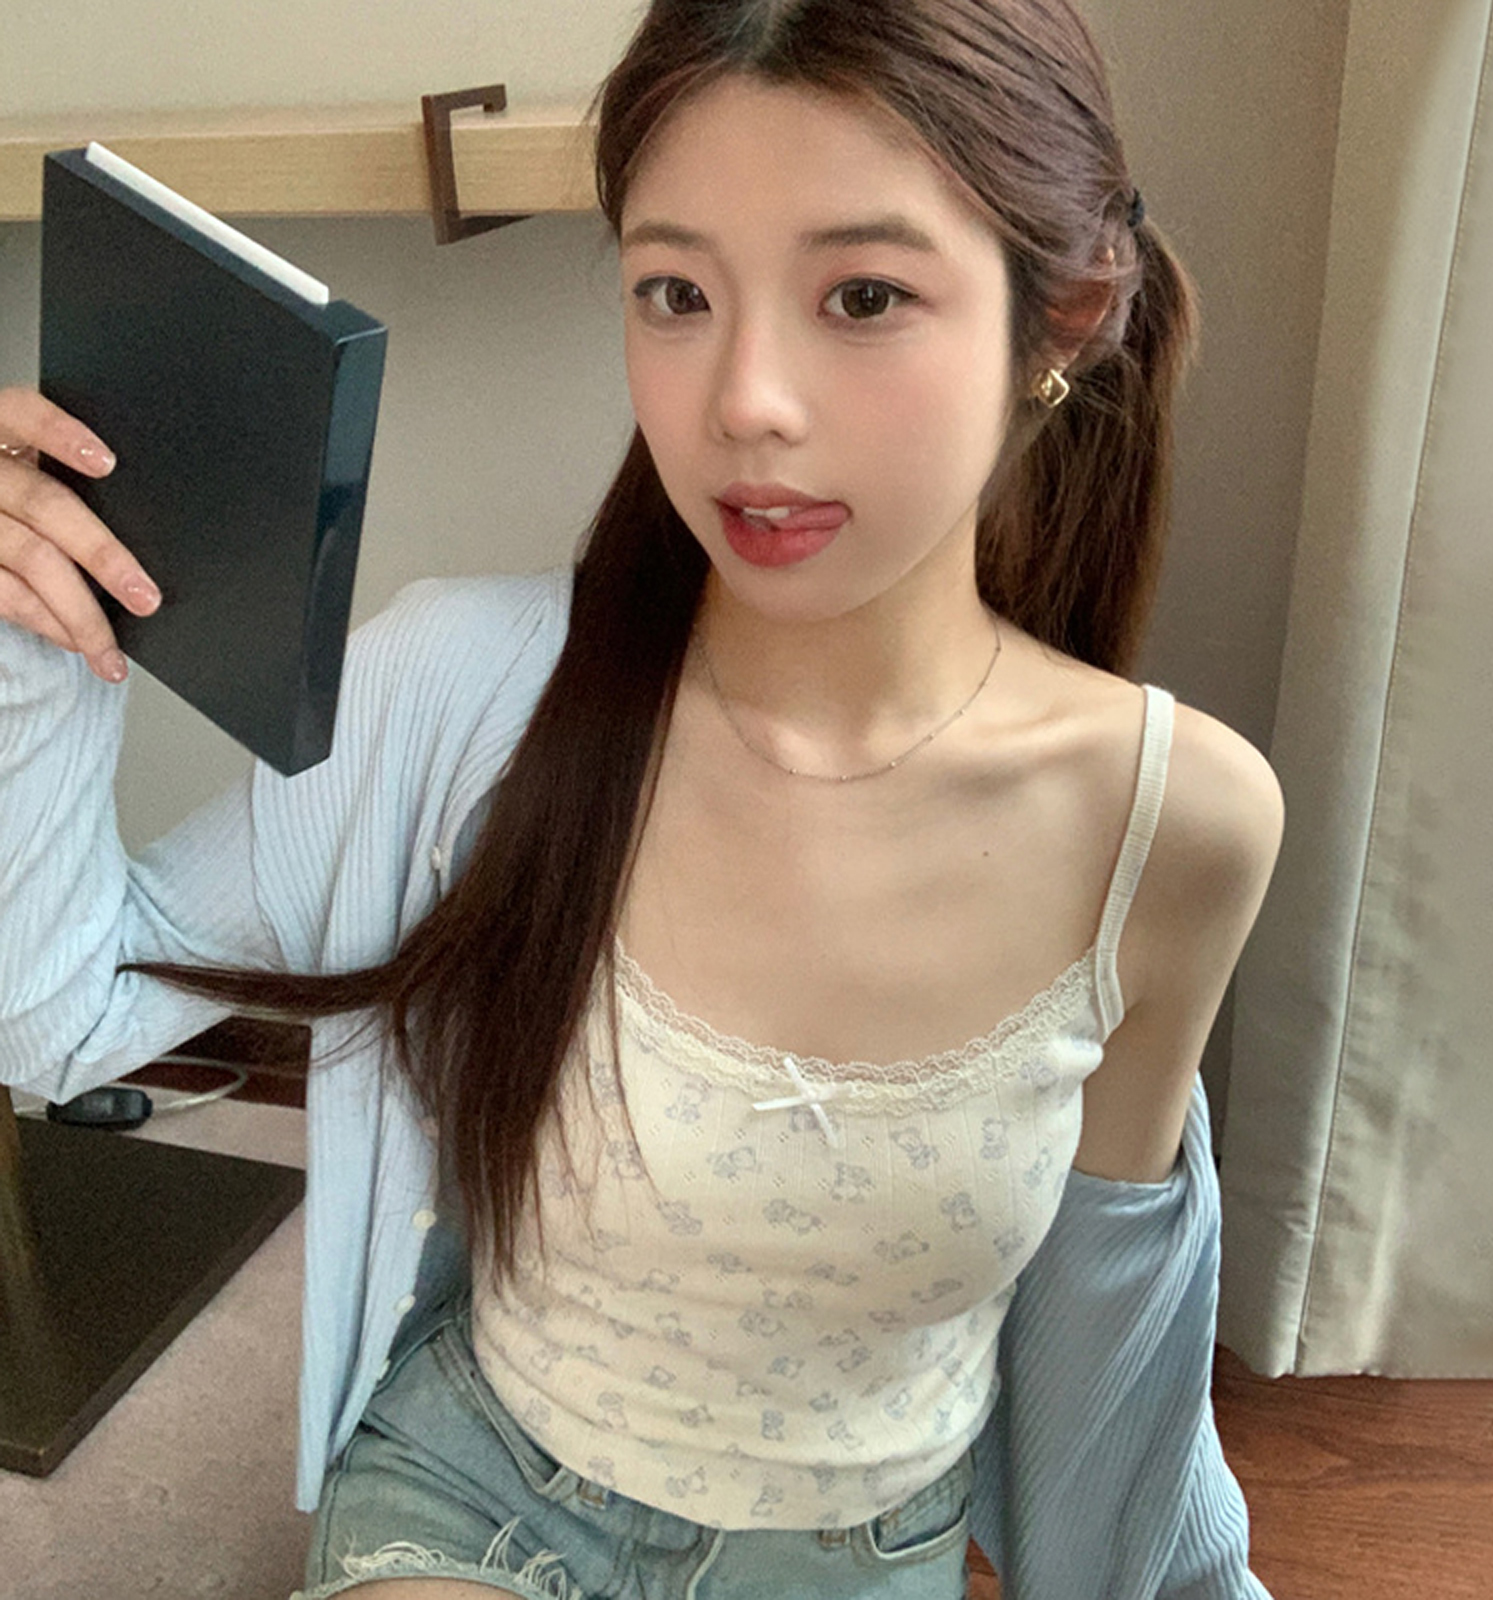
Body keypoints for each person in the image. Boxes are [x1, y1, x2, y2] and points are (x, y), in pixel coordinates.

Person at [0, 1, 1285, 1596]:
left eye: (863, 296)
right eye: (677, 293)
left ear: (1062, 321)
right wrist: (35, 639)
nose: (746, 400)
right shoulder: (464, 694)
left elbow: (1112, 1334)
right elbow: (53, 1017)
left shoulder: (1174, 821)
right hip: (478, 1495)